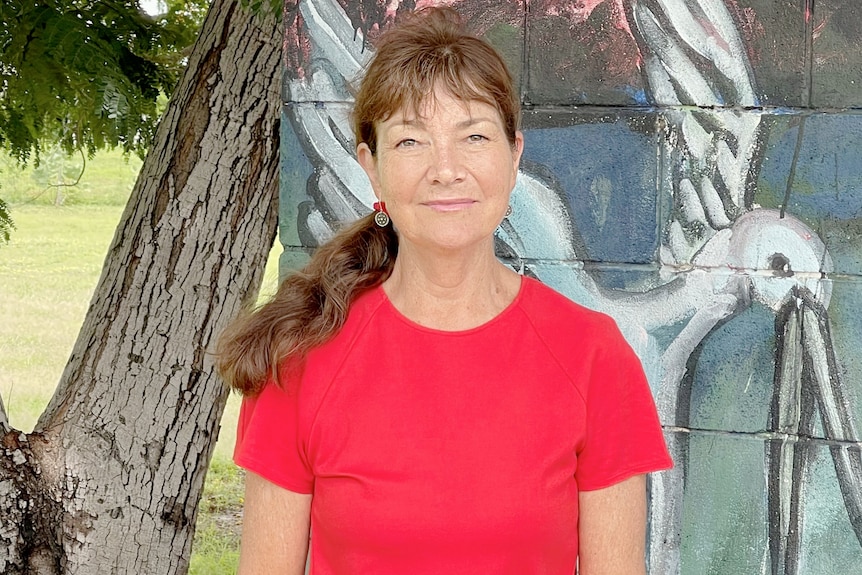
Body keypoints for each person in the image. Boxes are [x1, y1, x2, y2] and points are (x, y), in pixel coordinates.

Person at [217, 7, 672, 574]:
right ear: (373, 168)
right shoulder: (302, 357)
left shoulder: (592, 355)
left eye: (474, 136)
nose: (446, 169)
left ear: (514, 157)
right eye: (411, 142)